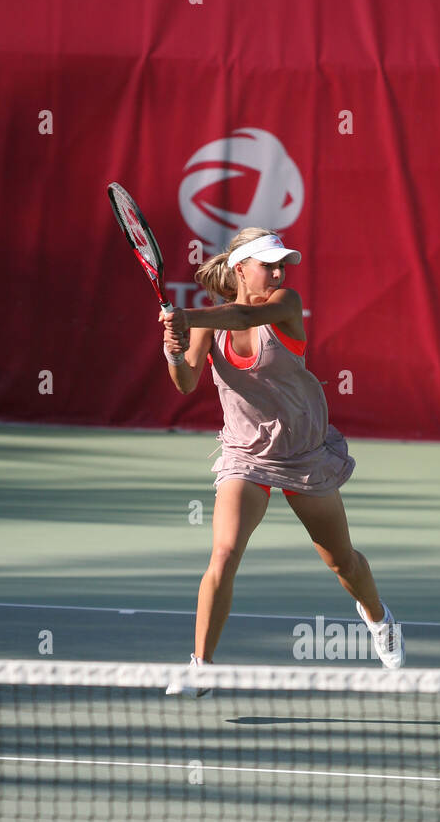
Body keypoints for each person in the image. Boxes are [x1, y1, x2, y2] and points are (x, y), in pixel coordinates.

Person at [161, 227, 404, 692]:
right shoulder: (209, 323)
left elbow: (234, 314)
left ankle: (378, 619)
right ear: (240, 270)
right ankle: (200, 666)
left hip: (303, 453)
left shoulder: (285, 304)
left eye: (281, 265)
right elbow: (186, 383)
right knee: (224, 554)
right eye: (267, 265)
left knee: (342, 562)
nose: (278, 272)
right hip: (244, 454)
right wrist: (173, 348)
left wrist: (185, 315)